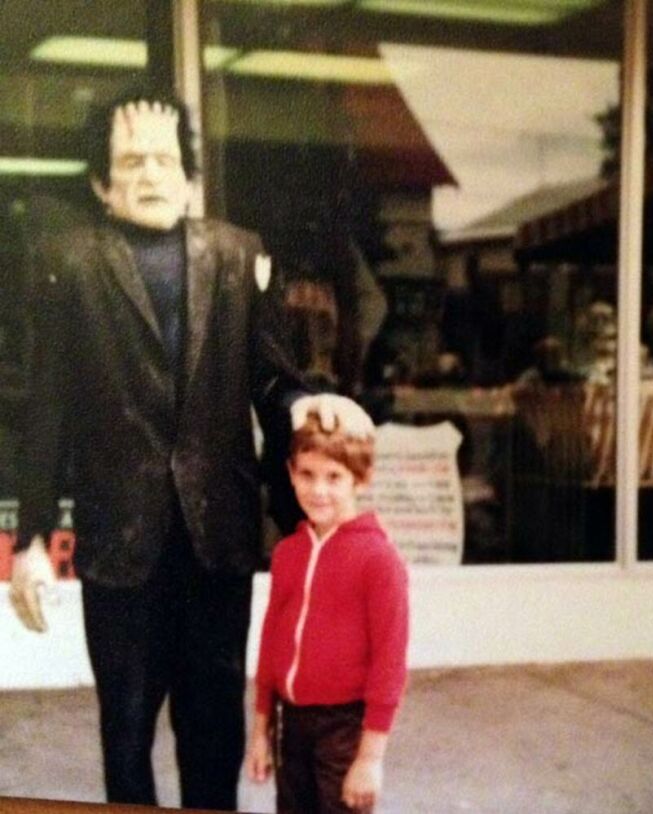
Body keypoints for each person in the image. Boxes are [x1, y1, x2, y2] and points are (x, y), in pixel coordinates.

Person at [7, 87, 370, 811]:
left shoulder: (238, 255)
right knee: (127, 730)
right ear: (100, 182)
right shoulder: (69, 263)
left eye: (166, 158)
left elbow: (272, 376)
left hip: (218, 536)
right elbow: (45, 408)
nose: (151, 173)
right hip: (121, 539)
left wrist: (306, 404)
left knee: (215, 733)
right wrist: (34, 538)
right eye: (131, 160)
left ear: (190, 172)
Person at [245, 399, 409, 814]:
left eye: (334, 477)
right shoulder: (288, 553)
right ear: (290, 473)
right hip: (291, 723)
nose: (318, 490)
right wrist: (260, 731)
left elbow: (389, 663)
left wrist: (370, 758)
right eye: (307, 474)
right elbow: (270, 645)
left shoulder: (379, 559)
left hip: (344, 727)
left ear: (362, 478)